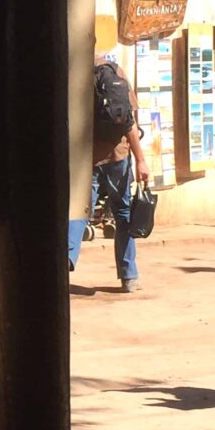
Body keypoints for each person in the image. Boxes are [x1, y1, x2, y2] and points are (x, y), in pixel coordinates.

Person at [68, 56, 151, 292]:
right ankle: (129, 276)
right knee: (123, 212)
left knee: (79, 210)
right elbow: (129, 123)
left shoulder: (76, 74)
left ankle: (67, 260)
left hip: (87, 157)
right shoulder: (117, 73)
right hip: (118, 155)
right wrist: (141, 160)